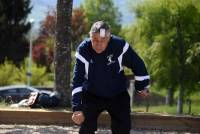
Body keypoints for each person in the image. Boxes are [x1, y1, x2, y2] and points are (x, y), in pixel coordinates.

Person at [71, 21, 150, 134]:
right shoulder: (84, 49)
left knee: (122, 128)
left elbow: (137, 64)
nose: (98, 44)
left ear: (109, 39)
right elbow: (77, 80)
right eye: (95, 40)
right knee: (86, 129)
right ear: (90, 37)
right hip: (92, 94)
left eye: (103, 40)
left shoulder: (119, 45)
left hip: (118, 93)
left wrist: (141, 86)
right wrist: (77, 108)